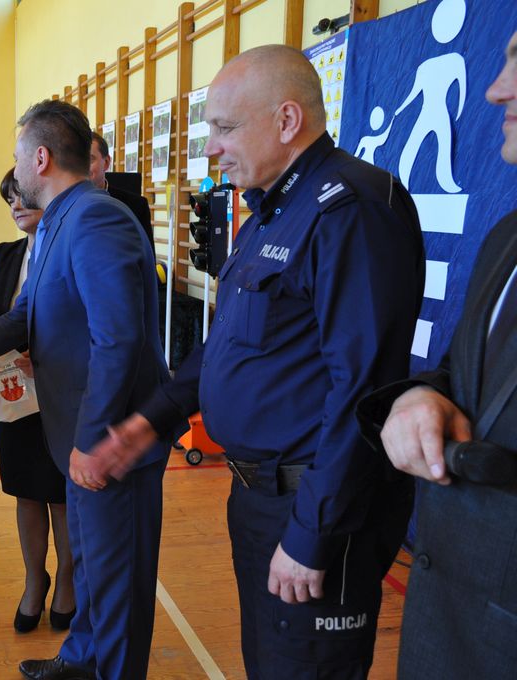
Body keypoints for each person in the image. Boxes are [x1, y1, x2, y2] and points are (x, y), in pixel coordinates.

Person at [86, 45, 426, 680]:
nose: (213, 148)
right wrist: (150, 421)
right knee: (269, 663)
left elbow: (363, 390)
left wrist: (311, 533)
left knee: (302, 668)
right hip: (258, 496)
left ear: (287, 120)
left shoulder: (351, 210)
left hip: (316, 505)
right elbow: (229, 345)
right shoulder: (272, 210)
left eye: (225, 127)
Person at [0, 99, 170, 680]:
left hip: (109, 445)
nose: (15, 171)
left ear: (40, 158)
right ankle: (81, 660)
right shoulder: (60, 220)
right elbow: (25, 316)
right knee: (91, 571)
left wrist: (91, 441)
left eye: (17, 158)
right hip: (78, 440)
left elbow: (118, 339)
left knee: (117, 584)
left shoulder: (97, 219)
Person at [356, 30, 517, 680]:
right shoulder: (506, 237)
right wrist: (424, 395)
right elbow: (462, 374)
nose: (495, 90)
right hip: (446, 626)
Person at [0, 167, 74, 633]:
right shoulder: (6, 254)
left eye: (22, 195)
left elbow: (81, 321)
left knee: (60, 496)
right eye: (9, 199)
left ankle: (67, 580)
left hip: (59, 392)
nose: (16, 206)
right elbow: (4, 317)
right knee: (26, 491)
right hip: (14, 394)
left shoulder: (70, 248)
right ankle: (34, 579)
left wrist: (48, 358)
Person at [89, 131, 152, 243]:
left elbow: (146, 252)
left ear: (106, 163)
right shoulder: (65, 206)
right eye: (78, 160)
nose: (82, 166)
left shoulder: (136, 206)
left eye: (90, 159)